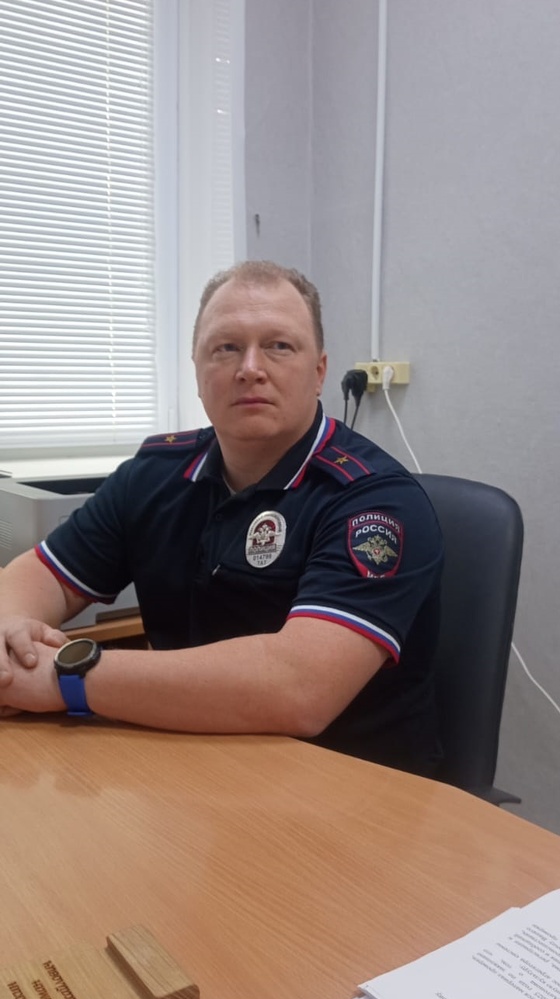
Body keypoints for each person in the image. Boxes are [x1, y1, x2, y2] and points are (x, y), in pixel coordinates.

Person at [0, 260, 443, 774]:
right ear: (197, 369)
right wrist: (8, 637)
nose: (250, 368)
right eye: (226, 347)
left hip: (350, 787)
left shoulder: (374, 502)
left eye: (279, 346)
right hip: (190, 763)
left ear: (319, 372)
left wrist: (67, 679)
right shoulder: (155, 473)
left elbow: (299, 687)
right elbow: (42, 576)